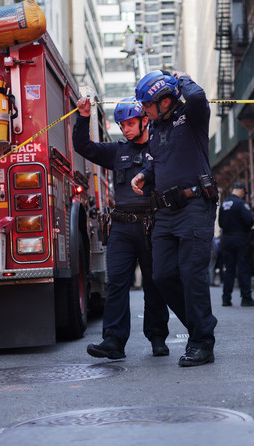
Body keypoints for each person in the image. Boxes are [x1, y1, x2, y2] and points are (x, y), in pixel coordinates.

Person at [130, 70, 218, 367]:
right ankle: (200, 326)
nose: (143, 110)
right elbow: (159, 162)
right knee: (162, 276)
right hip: (165, 211)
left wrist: (182, 78)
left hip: (195, 205)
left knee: (192, 275)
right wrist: (144, 174)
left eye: (147, 104)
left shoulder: (191, 116)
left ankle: (202, 341)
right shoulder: (155, 128)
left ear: (165, 101)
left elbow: (197, 96)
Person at [73, 96, 170, 359]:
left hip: (152, 226)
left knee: (154, 284)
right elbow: (83, 146)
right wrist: (82, 117)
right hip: (122, 228)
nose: (125, 129)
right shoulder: (117, 151)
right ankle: (113, 342)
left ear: (144, 120)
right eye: (121, 125)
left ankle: (158, 337)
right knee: (116, 282)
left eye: (129, 123)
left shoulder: (162, 148)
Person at [218, 182, 254, 307]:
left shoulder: (224, 204)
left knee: (229, 269)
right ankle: (246, 297)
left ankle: (226, 298)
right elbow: (249, 221)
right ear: (242, 190)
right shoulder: (241, 204)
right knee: (243, 268)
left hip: (226, 239)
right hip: (240, 238)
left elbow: (221, 223)